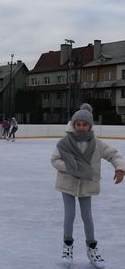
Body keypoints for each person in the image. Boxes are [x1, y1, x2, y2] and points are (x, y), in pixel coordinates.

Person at [51, 107, 125, 268]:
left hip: (86, 184)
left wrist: (119, 168)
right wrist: (71, 167)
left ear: (90, 126)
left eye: (85, 124)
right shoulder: (65, 142)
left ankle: (92, 249)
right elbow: (54, 160)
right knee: (69, 216)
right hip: (67, 183)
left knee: (87, 217)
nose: (81, 127)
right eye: (78, 124)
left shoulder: (97, 144)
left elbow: (114, 154)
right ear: (74, 124)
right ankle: (67, 246)